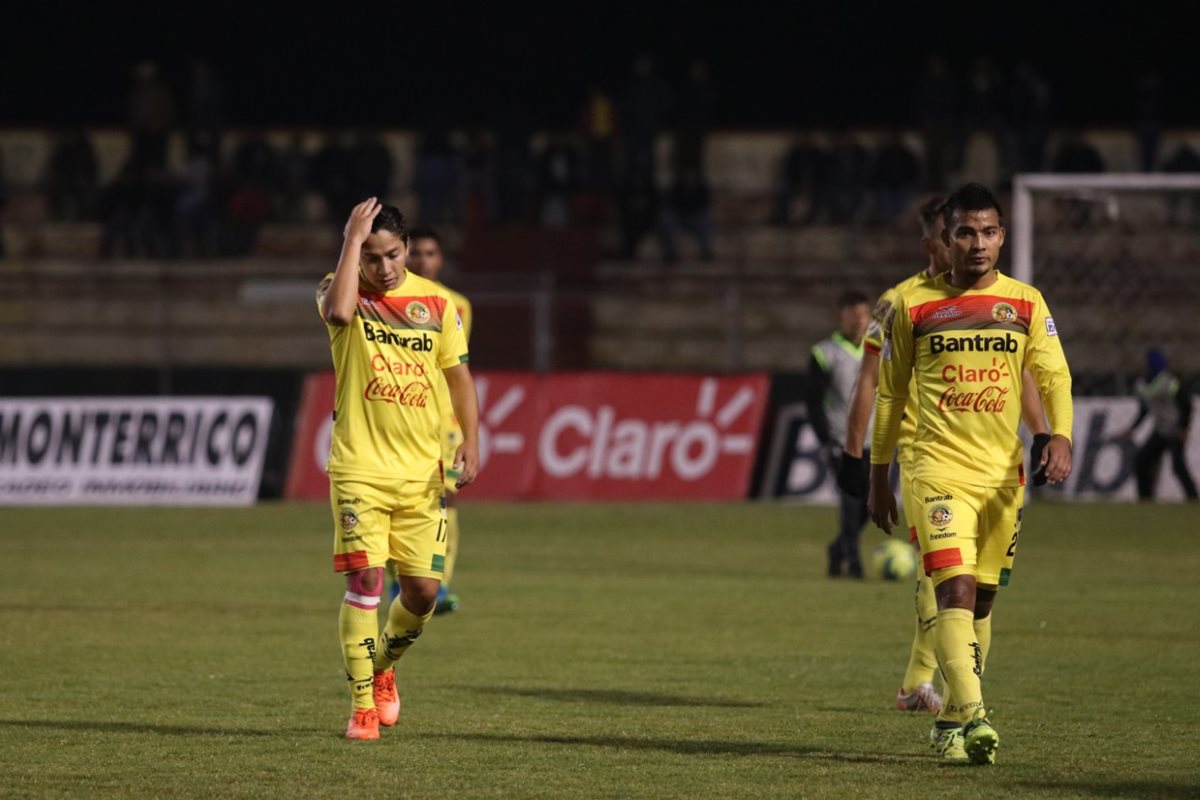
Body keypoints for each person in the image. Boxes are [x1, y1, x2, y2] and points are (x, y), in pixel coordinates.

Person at [868, 183, 1073, 765]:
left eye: (988, 232)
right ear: (944, 239)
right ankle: (978, 713)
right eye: (965, 232)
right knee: (951, 587)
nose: (978, 243)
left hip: (1002, 477)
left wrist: (1059, 434)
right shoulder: (914, 306)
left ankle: (953, 720)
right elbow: (890, 396)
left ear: (1002, 236)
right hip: (935, 469)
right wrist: (877, 475)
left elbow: (1054, 376)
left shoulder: (1026, 303)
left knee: (981, 602)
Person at [318, 199, 480, 741]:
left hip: (420, 472)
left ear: (408, 250)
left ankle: (382, 665)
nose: (383, 268)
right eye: (370, 256)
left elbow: (459, 377)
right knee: (365, 581)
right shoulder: (340, 292)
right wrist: (351, 239)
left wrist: (473, 440)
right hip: (359, 468)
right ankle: (362, 706)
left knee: (421, 595)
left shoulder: (437, 304)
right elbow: (339, 314)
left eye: (391, 255)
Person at [389, 225, 475, 613]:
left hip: (442, 420)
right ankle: (399, 579)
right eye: (416, 253)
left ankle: (438, 582)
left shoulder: (455, 305)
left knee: (447, 500)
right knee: (395, 497)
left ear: (440, 259)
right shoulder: (385, 300)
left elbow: (454, 367)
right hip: (399, 414)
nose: (423, 260)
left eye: (430, 254)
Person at [807, 290, 872, 578]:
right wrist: (825, 441)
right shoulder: (824, 353)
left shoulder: (880, 348)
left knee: (872, 504)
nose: (859, 320)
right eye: (853, 314)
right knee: (850, 502)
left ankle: (838, 549)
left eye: (863, 314)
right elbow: (813, 401)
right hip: (842, 442)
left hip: (875, 440)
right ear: (841, 316)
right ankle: (853, 562)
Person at [1120, 348, 1197, 501]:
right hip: (1160, 430)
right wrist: (1132, 428)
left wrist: (1183, 428)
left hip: (1175, 429)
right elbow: (1144, 410)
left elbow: (1186, 404)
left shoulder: (1169, 382)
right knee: (1141, 461)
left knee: (1178, 466)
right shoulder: (1142, 384)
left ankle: (1193, 498)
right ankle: (1145, 500)